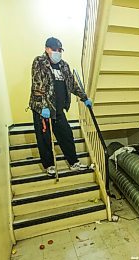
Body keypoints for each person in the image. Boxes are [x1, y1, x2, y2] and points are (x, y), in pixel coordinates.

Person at [28, 37, 92, 177]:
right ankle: (49, 165)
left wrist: (84, 97)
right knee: (44, 138)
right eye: (54, 49)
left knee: (66, 134)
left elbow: (72, 84)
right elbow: (37, 85)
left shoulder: (64, 65)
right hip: (42, 109)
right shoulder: (39, 62)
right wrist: (43, 106)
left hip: (58, 109)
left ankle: (73, 162)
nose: (57, 52)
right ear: (47, 49)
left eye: (59, 50)